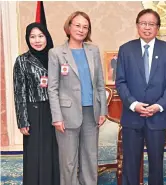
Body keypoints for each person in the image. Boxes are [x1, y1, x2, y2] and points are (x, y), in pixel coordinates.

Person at [115, 9, 166, 185]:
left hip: (158, 116)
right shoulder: (125, 49)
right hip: (132, 116)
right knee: (130, 164)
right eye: (143, 23)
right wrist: (133, 104)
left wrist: (158, 106)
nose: (147, 27)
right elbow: (120, 82)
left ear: (158, 28)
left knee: (156, 164)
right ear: (137, 26)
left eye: (151, 24)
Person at [47, 11, 107, 185]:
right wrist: (57, 117)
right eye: (77, 25)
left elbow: (100, 84)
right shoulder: (56, 53)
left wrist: (103, 110)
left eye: (85, 27)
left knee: (90, 157)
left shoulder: (93, 50)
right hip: (67, 114)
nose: (81, 29)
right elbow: (52, 88)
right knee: (68, 161)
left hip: (91, 112)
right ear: (69, 26)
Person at [13, 22, 60, 185]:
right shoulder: (22, 61)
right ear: (27, 39)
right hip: (34, 112)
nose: (37, 40)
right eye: (32, 37)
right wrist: (22, 120)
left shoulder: (56, 57)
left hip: (56, 110)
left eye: (40, 36)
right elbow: (19, 92)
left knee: (54, 152)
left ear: (47, 37)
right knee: (35, 154)